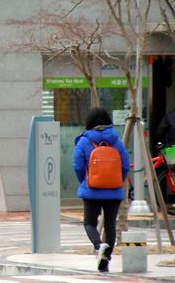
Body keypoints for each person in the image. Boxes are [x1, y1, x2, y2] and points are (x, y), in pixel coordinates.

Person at [72, 107, 130, 272]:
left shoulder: (84, 141)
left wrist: (85, 181)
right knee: (110, 225)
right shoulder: (116, 141)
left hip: (92, 189)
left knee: (89, 223)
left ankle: (99, 246)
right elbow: (125, 165)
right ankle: (106, 259)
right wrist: (116, 180)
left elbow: (77, 165)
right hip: (114, 190)